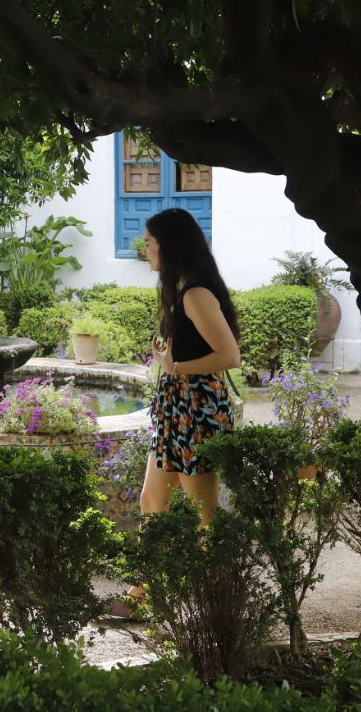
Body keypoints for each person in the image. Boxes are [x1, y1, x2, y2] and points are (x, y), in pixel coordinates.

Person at [140, 207, 242, 527]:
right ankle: (149, 578)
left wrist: (176, 367)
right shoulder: (180, 290)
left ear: (168, 246)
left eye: (149, 243)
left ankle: (214, 578)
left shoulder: (195, 294)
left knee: (203, 514)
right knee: (154, 501)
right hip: (178, 410)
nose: (144, 250)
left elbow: (229, 356)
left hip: (197, 412)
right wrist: (168, 362)